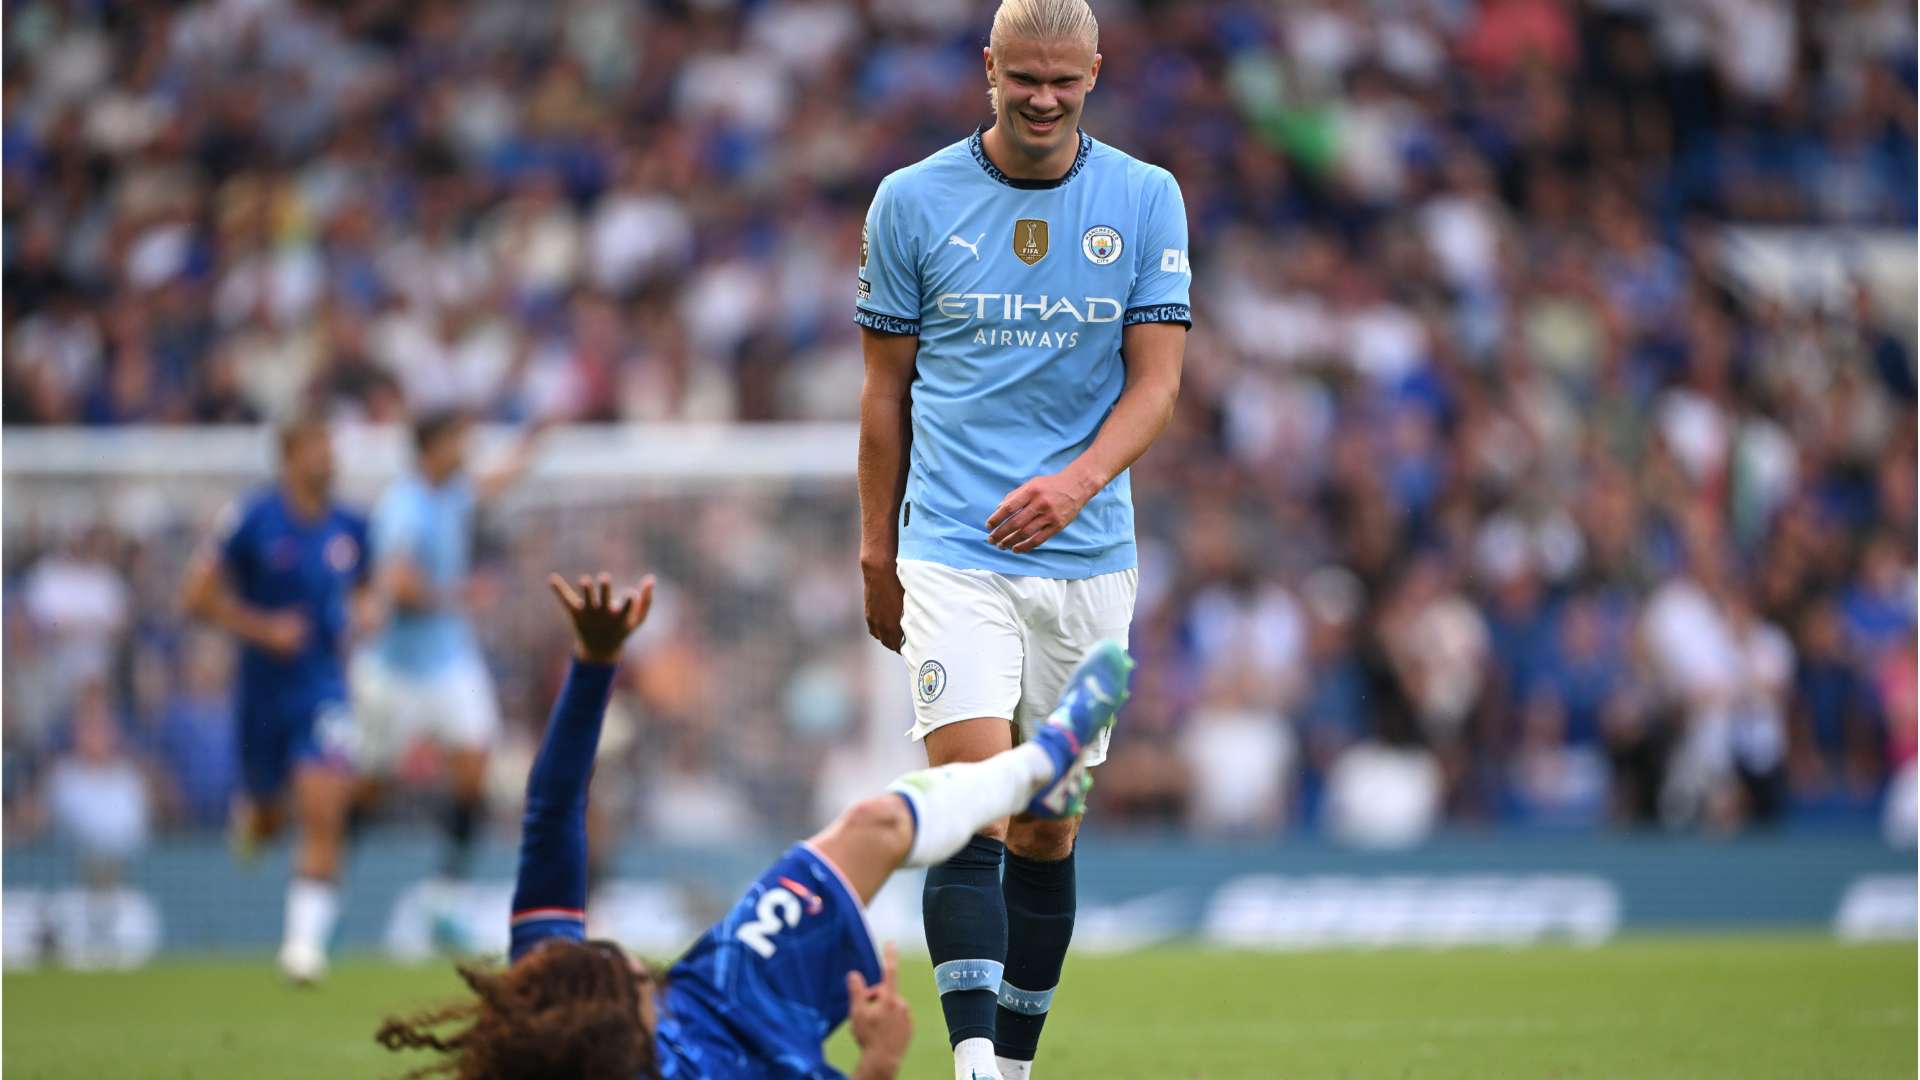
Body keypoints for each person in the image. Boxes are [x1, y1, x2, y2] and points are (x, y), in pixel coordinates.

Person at [377, 572, 1133, 1080]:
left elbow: (550, 813)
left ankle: (1044, 758)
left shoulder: (548, 997)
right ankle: (1047, 756)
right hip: (746, 1034)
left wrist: (594, 664)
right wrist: (875, 1065)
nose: (641, 966)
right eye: (633, 982)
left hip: (713, 989)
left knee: (870, 824)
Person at [852, 0, 1189, 1075]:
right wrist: (874, 549)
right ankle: (974, 1068)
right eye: (1023, 79)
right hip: (951, 547)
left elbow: (1159, 383)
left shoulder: (1144, 199)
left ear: (1097, 71)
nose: (1043, 101)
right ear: (987, 66)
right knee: (970, 807)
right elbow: (881, 395)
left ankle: (1017, 1063)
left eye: (1065, 82)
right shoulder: (911, 201)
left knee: (1048, 826)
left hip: (1087, 563)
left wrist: (1079, 484)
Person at [180, 412, 371, 982]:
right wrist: (264, 629)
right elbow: (196, 597)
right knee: (267, 816)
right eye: (320, 445)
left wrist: (366, 615)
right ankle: (253, 819)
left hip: (323, 687)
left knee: (324, 804)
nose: (331, 458)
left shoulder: (352, 526)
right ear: (292, 456)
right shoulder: (251, 520)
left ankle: (302, 947)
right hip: (261, 692)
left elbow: (367, 593)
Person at [353, 409, 543, 941]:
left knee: (475, 763)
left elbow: (491, 483)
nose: (467, 448)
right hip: (395, 668)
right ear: (432, 448)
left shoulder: (451, 492)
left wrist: (534, 440)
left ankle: (447, 893)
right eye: (458, 439)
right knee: (371, 786)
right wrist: (462, 594)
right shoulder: (404, 508)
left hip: (450, 661)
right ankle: (326, 885)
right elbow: (399, 588)